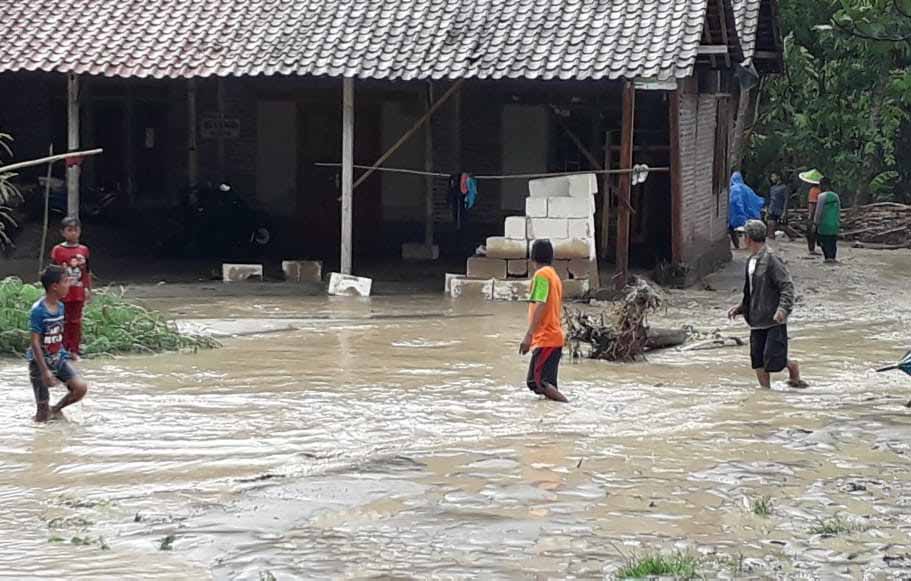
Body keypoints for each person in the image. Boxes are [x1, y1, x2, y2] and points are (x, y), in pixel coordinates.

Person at [728, 220, 808, 390]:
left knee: (774, 358)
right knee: (757, 360)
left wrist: (782, 310)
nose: (742, 238)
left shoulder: (771, 259)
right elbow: (751, 290)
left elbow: (786, 286)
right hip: (756, 319)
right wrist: (742, 307)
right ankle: (766, 391)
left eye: (743, 235)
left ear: (749, 238)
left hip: (773, 319)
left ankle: (792, 367)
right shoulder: (751, 260)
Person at [28, 266, 89, 422]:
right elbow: (35, 342)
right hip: (40, 363)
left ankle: (55, 410)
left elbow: (56, 334)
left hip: (58, 358)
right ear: (55, 286)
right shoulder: (38, 310)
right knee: (41, 413)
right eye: (66, 281)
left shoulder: (61, 306)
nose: (69, 285)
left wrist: (66, 353)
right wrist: (45, 371)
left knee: (80, 388)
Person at [520, 239, 569, 403]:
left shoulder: (541, 275)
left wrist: (529, 335)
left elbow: (540, 303)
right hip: (553, 337)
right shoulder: (553, 276)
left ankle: (567, 405)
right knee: (546, 383)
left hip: (546, 338)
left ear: (532, 257)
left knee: (537, 381)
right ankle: (553, 413)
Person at [51, 217, 91, 358]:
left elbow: (87, 271)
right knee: (61, 319)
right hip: (62, 291)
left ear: (80, 231)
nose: (73, 233)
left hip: (78, 291)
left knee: (76, 321)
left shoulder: (84, 250)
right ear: (63, 232)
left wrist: (88, 289)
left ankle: (74, 349)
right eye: (69, 230)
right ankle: (61, 348)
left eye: (76, 230)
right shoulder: (58, 250)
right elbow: (53, 271)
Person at [728, 172, 765, 249]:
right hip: (750, 214)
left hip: (738, 214)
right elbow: (756, 200)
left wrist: (739, 213)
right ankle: (750, 245)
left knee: (732, 230)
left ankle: (737, 246)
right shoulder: (747, 188)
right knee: (749, 230)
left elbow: (735, 202)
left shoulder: (734, 189)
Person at [814, 177, 841, 263]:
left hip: (824, 225)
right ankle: (832, 258)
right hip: (834, 224)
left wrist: (815, 224)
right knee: (832, 244)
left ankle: (827, 259)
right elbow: (838, 211)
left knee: (824, 243)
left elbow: (818, 212)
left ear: (823, 185)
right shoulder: (836, 196)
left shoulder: (822, 196)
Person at [799, 169, 823, 255]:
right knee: (814, 232)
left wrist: (810, 215)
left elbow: (812, 204)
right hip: (818, 214)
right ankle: (813, 250)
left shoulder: (813, 190)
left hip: (814, 214)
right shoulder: (818, 190)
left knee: (811, 232)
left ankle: (811, 249)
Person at [766, 172, 791, 241]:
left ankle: (793, 237)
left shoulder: (784, 187)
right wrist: (768, 210)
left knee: (783, 227)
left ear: (778, 177)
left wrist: (784, 212)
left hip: (780, 209)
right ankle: (771, 239)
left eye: (773, 176)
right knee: (770, 224)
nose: (772, 178)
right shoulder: (772, 188)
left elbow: (786, 200)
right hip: (772, 209)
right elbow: (770, 199)